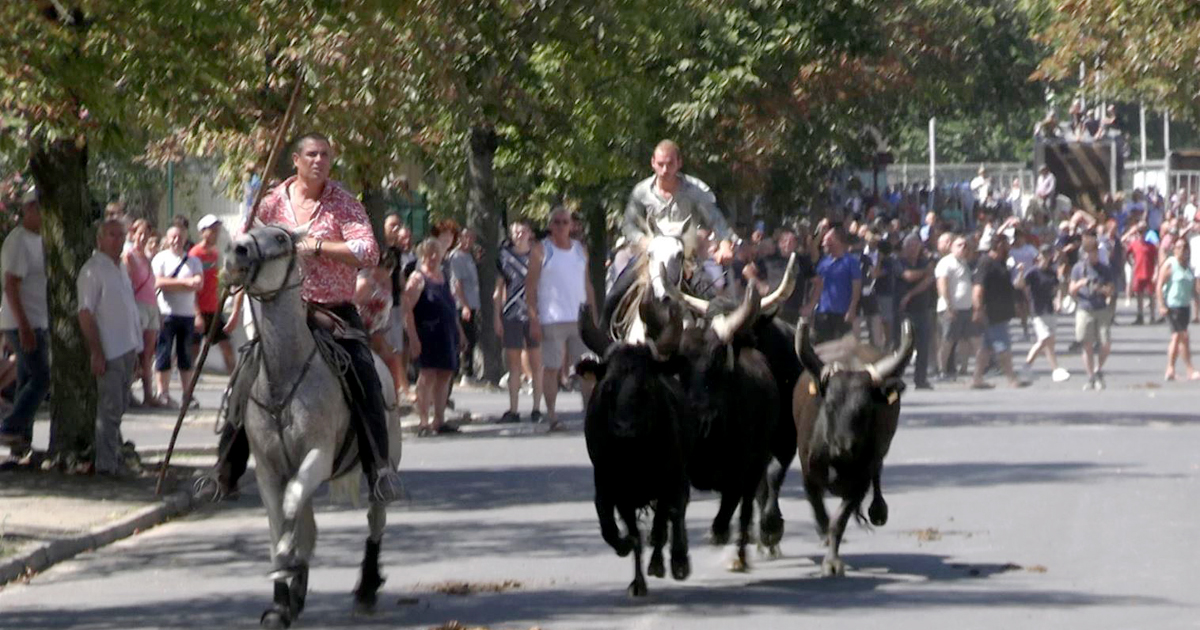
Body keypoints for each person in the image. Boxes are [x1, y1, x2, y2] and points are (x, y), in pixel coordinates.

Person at [202, 132, 400, 502]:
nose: (319, 161)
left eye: (325, 154)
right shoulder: (271, 203)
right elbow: (246, 250)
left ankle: (379, 469)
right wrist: (234, 279)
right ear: (296, 159)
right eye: (312, 154)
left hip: (334, 311)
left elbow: (367, 250)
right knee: (244, 376)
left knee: (365, 372)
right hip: (280, 311)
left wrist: (319, 246)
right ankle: (224, 472)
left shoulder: (344, 204)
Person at [77, 220, 144, 475]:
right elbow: (85, 313)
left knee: (120, 406)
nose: (117, 240)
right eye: (112, 235)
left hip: (126, 348)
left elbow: (129, 311)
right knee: (109, 408)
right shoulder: (93, 270)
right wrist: (96, 351)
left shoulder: (121, 269)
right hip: (109, 349)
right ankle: (106, 464)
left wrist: (137, 349)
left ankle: (113, 456)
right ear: (100, 239)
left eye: (121, 235)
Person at [527, 206, 598, 431]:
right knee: (552, 367)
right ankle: (552, 415)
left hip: (578, 317)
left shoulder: (580, 250)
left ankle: (590, 413)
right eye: (556, 222)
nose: (560, 226)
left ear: (572, 225)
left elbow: (587, 284)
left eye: (564, 222)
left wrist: (593, 314)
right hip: (552, 317)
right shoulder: (542, 250)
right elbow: (530, 287)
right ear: (550, 225)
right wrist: (533, 318)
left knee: (587, 368)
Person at [622, 140, 736, 265]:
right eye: (660, 164)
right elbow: (628, 225)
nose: (665, 170)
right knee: (621, 283)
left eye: (670, 164)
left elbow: (716, 221)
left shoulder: (697, 190)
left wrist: (725, 245)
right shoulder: (641, 192)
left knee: (715, 282)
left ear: (679, 163)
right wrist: (644, 241)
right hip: (651, 258)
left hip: (688, 258)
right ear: (653, 163)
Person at [0, 189, 49, 453]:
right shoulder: (19, 240)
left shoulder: (39, 240)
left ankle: (21, 443)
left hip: (37, 320)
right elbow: (11, 286)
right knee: (42, 378)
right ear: (29, 209)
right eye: (40, 208)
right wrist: (24, 326)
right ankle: (10, 426)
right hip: (24, 322)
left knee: (26, 379)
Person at [402, 238, 464, 435]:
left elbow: (451, 309)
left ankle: (439, 420)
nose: (433, 257)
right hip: (426, 333)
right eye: (429, 254)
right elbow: (407, 310)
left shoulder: (444, 276)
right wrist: (413, 338)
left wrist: (460, 333)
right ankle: (423, 421)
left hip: (446, 334)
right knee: (427, 375)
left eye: (436, 253)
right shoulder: (417, 279)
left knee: (445, 375)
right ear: (422, 256)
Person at [494, 220, 543, 424]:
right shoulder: (504, 256)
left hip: (536, 313)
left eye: (522, 231)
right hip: (512, 314)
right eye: (515, 232)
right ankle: (513, 409)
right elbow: (498, 289)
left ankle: (537, 409)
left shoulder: (539, 254)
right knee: (513, 365)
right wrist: (497, 316)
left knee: (536, 363)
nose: (519, 235)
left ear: (530, 233)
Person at [151, 225, 203, 408]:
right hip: (166, 313)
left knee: (186, 356)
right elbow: (159, 283)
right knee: (163, 354)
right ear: (167, 238)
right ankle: (162, 393)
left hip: (187, 315)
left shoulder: (194, 261)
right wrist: (186, 282)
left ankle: (187, 394)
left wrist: (176, 284)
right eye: (173, 236)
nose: (176, 240)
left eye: (180, 237)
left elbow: (198, 284)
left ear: (185, 238)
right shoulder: (160, 259)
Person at [970, 235, 1028, 389]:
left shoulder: (1001, 263)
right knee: (1003, 346)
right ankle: (1012, 378)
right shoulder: (986, 262)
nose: (1009, 247)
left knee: (986, 348)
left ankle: (977, 379)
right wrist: (978, 309)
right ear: (999, 245)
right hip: (991, 312)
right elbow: (977, 288)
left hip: (1002, 311)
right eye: (1007, 244)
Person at [123, 219, 163, 407]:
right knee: (133, 352)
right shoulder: (128, 255)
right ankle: (128, 392)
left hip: (151, 305)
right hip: (137, 305)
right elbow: (128, 284)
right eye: (139, 233)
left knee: (148, 354)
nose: (142, 237)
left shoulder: (147, 258)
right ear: (133, 234)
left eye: (146, 233)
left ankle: (148, 394)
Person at [188, 214, 236, 373]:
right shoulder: (195, 254)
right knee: (193, 350)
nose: (216, 233)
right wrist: (196, 314)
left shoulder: (215, 254)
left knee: (226, 346)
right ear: (203, 232)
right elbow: (192, 287)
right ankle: (184, 384)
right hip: (198, 310)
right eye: (212, 230)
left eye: (217, 230)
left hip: (214, 310)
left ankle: (234, 383)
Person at [1070, 235, 1116, 390]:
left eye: (1094, 253)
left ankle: (1098, 369)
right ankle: (1090, 376)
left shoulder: (1104, 269)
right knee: (1086, 344)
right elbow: (1071, 291)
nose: (1091, 256)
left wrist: (1100, 289)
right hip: (1085, 308)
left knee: (1106, 344)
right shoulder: (1078, 269)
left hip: (1101, 308)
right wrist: (1081, 284)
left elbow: (1110, 291)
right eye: (1089, 253)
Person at [804, 226, 861, 344]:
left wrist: (852, 308)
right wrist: (811, 305)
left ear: (837, 241)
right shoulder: (823, 262)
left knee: (842, 346)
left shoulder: (851, 261)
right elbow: (817, 286)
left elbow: (856, 286)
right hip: (823, 311)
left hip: (842, 312)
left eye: (828, 240)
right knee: (820, 345)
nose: (824, 243)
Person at [1023, 246, 1071, 382]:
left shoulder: (1052, 272)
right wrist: (1021, 273)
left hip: (1049, 308)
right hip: (1037, 310)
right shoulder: (1032, 272)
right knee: (1045, 338)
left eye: (1047, 255)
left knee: (1048, 342)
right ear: (1038, 256)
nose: (1044, 257)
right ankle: (1053, 369)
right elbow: (1022, 286)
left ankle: (1032, 367)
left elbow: (1057, 288)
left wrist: (1058, 301)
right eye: (1042, 255)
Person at [1156, 238, 1200, 381]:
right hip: (1172, 306)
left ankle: (1170, 369)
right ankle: (1189, 369)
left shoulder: (1188, 267)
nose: (1182, 250)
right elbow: (1159, 285)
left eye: (1185, 248)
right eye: (1179, 247)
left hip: (1184, 306)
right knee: (1181, 337)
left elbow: (1193, 289)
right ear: (1174, 249)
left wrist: (1197, 302)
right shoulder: (1170, 264)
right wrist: (1161, 304)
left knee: (1178, 338)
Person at [896, 234, 936, 389]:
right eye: (909, 246)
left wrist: (910, 294)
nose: (913, 249)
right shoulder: (899, 262)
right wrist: (926, 272)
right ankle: (896, 377)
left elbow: (929, 280)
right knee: (903, 347)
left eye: (915, 245)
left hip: (922, 309)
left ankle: (921, 380)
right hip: (904, 311)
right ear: (904, 248)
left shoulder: (923, 262)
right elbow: (908, 276)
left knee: (923, 346)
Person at [935, 235, 976, 380]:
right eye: (959, 245)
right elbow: (942, 284)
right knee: (947, 340)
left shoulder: (964, 262)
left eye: (965, 245)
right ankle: (942, 370)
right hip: (951, 308)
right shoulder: (945, 263)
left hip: (966, 307)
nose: (963, 248)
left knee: (965, 339)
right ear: (951, 247)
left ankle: (963, 368)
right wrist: (948, 305)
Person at [381, 214, 413, 400]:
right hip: (382, 303)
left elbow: (399, 279)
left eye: (398, 225)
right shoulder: (379, 249)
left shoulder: (398, 252)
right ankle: (400, 386)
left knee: (398, 346)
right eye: (392, 224)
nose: (396, 228)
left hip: (395, 303)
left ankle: (401, 385)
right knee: (390, 347)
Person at [447, 228, 481, 383]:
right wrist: (465, 305)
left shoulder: (470, 256)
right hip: (462, 304)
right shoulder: (456, 257)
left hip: (473, 303)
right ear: (459, 238)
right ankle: (462, 371)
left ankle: (468, 371)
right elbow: (457, 284)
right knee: (463, 338)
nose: (469, 241)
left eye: (471, 237)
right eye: (465, 237)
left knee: (471, 337)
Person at [1124, 221, 1159, 324]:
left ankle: (1152, 317)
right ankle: (1140, 316)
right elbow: (1127, 254)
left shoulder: (1151, 246)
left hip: (1149, 272)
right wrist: (1131, 263)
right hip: (1138, 272)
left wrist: (1156, 272)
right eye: (1139, 231)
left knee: (1151, 295)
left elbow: (1157, 259)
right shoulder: (1134, 244)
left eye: (1143, 231)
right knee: (1139, 295)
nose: (1141, 234)